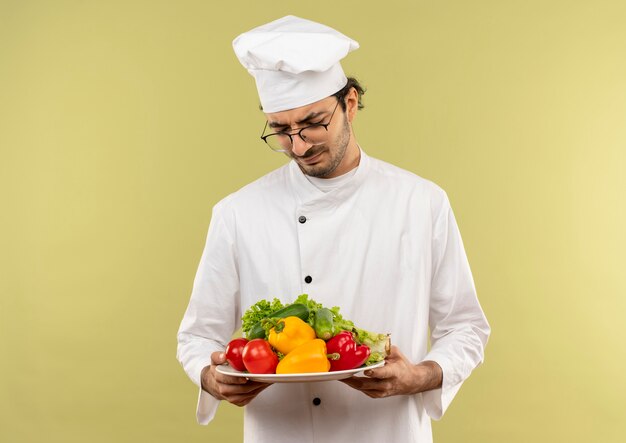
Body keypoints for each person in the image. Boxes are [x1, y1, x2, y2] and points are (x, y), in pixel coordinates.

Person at [177, 15, 490, 443]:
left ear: (351, 103)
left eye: (313, 122)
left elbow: (466, 327)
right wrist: (209, 377)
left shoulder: (422, 202)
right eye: (282, 130)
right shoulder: (237, 213)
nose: (299, 145)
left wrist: (419, 376)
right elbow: (197, 335)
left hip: (387, 433)